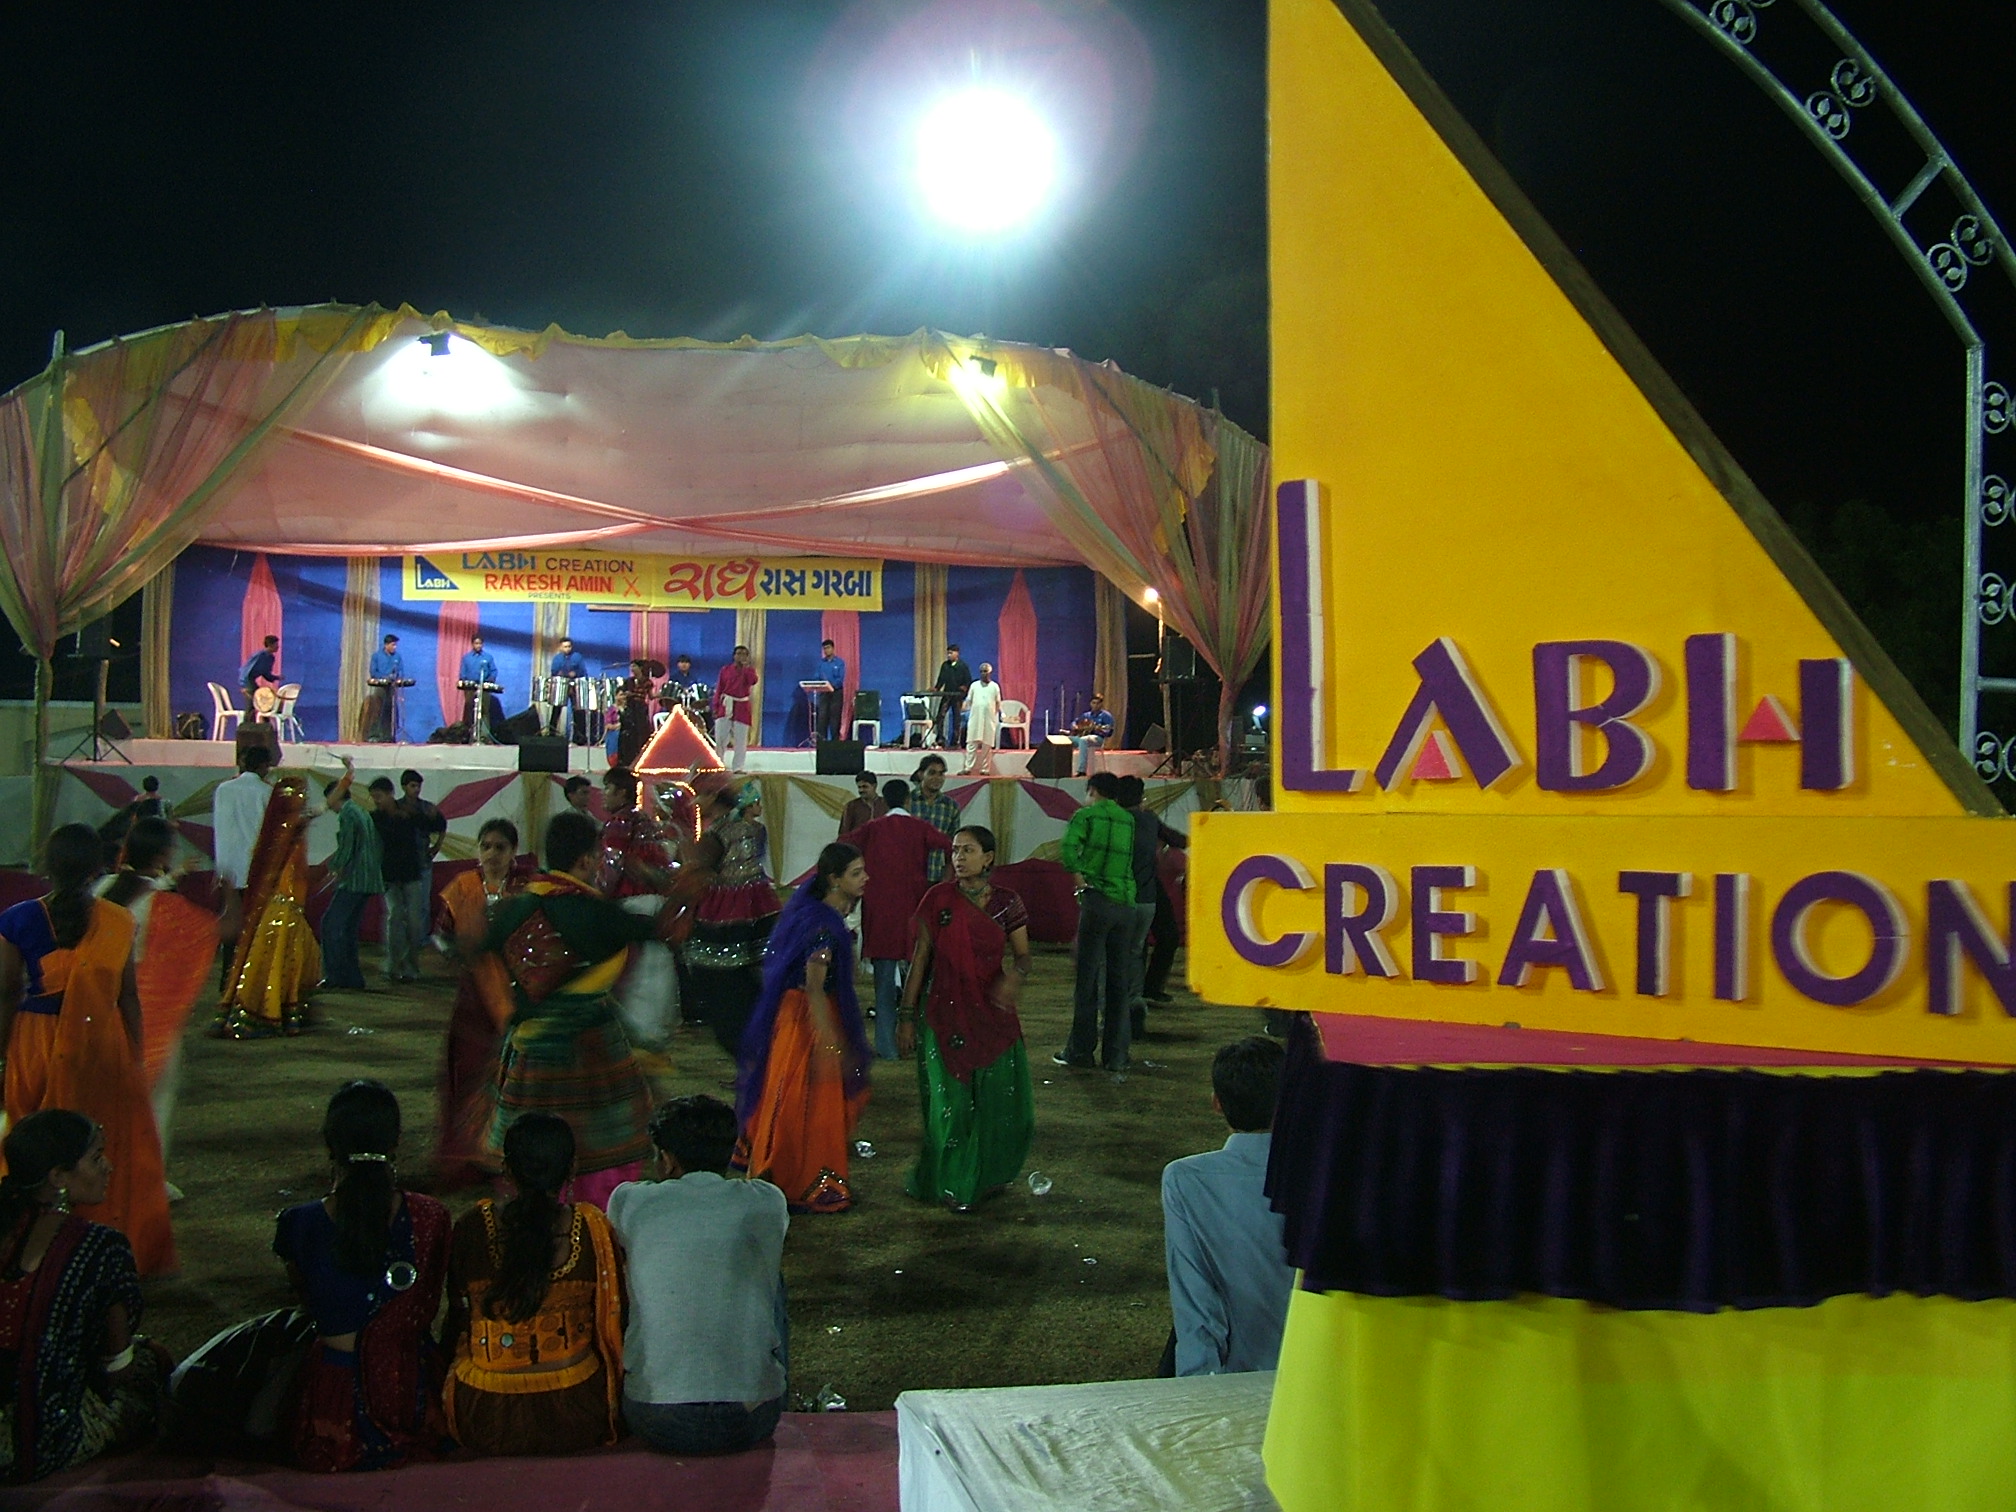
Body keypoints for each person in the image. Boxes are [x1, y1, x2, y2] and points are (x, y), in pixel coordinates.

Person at [483, 810, 687, 1209]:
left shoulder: (513, 909)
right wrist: (686, 888)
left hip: (529, 1048)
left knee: (528, 1144)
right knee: (601, 1147)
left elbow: (479, 952)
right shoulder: (597, 913)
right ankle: (590, 1217)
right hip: (592, 1047)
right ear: (586, 860)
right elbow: (663, 930)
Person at [0, 824, 176, 1278]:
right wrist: (133, 1058)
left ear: (48, 867)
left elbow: (6, 993)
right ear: (98, 868)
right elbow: (128, 998)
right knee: (98, 1144)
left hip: (36, 1042)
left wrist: (3, 1054)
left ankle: (27, 1246)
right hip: (102, 1045)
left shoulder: (18, 919)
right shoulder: (119, 920)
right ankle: (100, 1243)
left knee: (33, 1140)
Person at [274, 1080, 451, 1472]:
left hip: (332, 1410)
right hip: (409, 1397)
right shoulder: (431, 1217)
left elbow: (310, 1303)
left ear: (329, 1144)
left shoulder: (297, 1224)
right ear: (396, 1142)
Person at [611, 1095, 788, 1455]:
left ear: (667, 1159)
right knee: (763, 1273)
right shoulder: (767, 1201)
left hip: (655, 1416)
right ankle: (756, 1376)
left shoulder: (629, 1202)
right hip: (752, 1415)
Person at [0, 1111, 170, 1483]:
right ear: (58, 1177)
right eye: (95, 1158)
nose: (108, 1166)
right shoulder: (100, 1247)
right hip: (38, 1442)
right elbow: (117, 1367)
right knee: (153, 1365)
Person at [444, 1113, 624, 1455]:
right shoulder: (592, 1227)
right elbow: (615, 1320)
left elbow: (458, 1318)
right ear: (572, 1169)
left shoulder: (472, 1226)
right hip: (577, 1414)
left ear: (507, 1170)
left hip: (485, 1417)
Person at [897, 825, 1034, 1211]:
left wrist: (1015, 978)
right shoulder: (937, 898)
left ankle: (985, 1174)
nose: (958, 858)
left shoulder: (1007, 903)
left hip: (991, 1013)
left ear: (988, 858)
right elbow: (920, 959)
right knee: (951, 1106)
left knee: (999, 1102)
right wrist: (906, 1015)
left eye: (968, 850)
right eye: (955, 850)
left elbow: (1024, 956)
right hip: (943, 1014)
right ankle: (956, 1183)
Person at [736, 843, 872, 1213]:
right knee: (807, 1099)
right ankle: (801, 1178)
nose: (865, 878)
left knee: (794, 1095)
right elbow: (814, 986)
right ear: (834, 879)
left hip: (800, 1014)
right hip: (807, 1018)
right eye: (856, 873)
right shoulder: (822, 926)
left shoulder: (816, 914)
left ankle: (789, 1171)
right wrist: (827, 1037)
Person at [1161, 1037, 1293, 1376]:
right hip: (1320, 1376)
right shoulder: (1332, 1173)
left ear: (1217, 1104)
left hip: (1239, 1375)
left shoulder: (1185, 1180)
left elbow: (1196, 1303)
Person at [98, 818, 217, 1188]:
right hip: (147, 1009)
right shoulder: (161, 905)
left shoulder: (102, 889)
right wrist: (232, 893)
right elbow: (218, 930)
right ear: (164, 854)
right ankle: (147, 1180)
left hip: (96, 1009)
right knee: (156, 1100)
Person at [434, 818, 525, 1190]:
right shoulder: (463, 887)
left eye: (500, 847)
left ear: (514, 851)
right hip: (473, 999)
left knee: (508, 1074)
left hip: (515, 996)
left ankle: (504, 1153)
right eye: (485, 846)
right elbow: (441, 935)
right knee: (469, 1072)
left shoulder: (526, 889)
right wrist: (457, 951)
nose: (492, 854)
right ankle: (469, 1154)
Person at [842, 781, 951, 1060]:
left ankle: (887, 1048)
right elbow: (950, 847)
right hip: (915, 910)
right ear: (908, 800)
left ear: (885, 801)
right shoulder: (920, 827)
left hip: (879, 913)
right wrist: (945, 883)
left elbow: (841, 846)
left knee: (884, 985)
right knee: (920, 976)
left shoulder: (873, 828)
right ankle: (921, 1044)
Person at [218, 768, 322, 1036]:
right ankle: (270, 1014)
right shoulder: (285, 831)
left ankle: (289, 1013)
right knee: (279, 960)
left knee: (299, 957)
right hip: (281, 907)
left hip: (289, 906)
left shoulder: (288, 828)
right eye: (298, 798)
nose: (303, 802)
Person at [686, 784, 781, 1056]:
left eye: (700, 795)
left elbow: (697, 868)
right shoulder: (751, 829)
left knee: (723, 981)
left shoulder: (716, 833)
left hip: (725, 914)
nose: (695, 802)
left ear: (713, 796)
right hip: (759, 907)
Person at [1054, 771, 1138, 1072]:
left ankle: (1080, 1051)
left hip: (1098, 901)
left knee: (1087, 980)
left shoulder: (1086, 815)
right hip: (1125, 904)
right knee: (1118, 981)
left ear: (1092, 790)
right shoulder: (1128, 819)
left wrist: (1080, 881)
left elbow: (1067, 849)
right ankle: (1116, 1055)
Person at [597, 766, 683, 1051]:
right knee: (655, 964)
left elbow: (612, 866)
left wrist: (598, 895)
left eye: (607, 789)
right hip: (656, 904)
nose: (603, 795)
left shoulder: (618, 823)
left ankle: (637, 1034)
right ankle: (655, 1030)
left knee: (631, 971)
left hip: (631, 907)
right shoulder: (646, 822)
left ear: (622, 792)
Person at [1117, 775, 1187, 1037]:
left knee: (1133, 948)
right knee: (1159, 939)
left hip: (1123, 888)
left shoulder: (1116, 820)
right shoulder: (1147, 819)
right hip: (1145, 887)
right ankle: (1144, 992)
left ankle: (1136, 995)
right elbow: (1179, 840)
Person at [320, 773, 383, 992]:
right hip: (368, 878)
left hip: (354, 879)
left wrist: (334, 869)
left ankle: (336, 976)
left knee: (331, 925)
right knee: (348, 929)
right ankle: (352, 978)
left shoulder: (347, 814)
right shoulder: (360, 811)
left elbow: (347, 847)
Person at [371, 777, 425, 986]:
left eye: (379, 796)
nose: (376, 801)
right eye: (374, 797)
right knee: (395, 917)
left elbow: (435, 823)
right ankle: (394, 964)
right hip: (391, 876)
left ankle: (409, 966)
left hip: (410, 874)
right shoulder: (377, 818)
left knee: (412, 922)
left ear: (390, 794)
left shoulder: (408, 812)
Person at [212, 743, 275, 903]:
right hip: (254, 866)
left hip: (226, 867)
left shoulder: (223, 789)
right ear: (264, 766)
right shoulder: (266, 791)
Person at [910, 755, 960, 884]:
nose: (937, 778)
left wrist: (946, 878)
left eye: (941, 773)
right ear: (921, 774)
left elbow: (953, 845)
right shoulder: (908, 802)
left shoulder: (950, 806)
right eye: (932, 773)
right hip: (908, 876)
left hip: (937, 876)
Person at [714, 644, 759, 773]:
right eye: (739, 654)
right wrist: (716, 706)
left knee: (741, 740)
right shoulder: (725, 670)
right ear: (734, 656)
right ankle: (717, 765)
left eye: (744, 654)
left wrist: (745, 668)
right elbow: (719, 688)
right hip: (726, 705)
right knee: (721, 738)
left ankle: (738, 767)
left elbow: (753, 681)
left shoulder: (750, 671)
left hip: (742, 707)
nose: (741, 656)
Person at [456, 635, 502, 738]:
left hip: (484, 687)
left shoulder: (488, 657)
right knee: (469, 709)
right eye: (476, 643)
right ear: (472, 644)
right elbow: (463, 673)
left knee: (484, 710)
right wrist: (464, 681)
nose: (478, 646)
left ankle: (484, 736)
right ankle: (468, 734)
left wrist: (490, 679)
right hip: (470, 688)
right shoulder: (466, 658)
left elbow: (493, 671)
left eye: (480, 643)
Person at [962, 662, 1003, 776]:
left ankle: (985, 769)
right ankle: (968, 768)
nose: (983, 674)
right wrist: (964, 709)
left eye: (985, 671)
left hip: (989, 719)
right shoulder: (974, 685)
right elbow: (968, 700)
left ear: (990, 672)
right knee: (971, 743)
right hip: (975, 718)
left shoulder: (995, 686)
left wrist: (997, 715)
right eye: (981, 671)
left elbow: (998, 703)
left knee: (987, 745)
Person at [547, 637, 589, 744]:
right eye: (565, 647)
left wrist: (576, 673)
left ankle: (579, 736)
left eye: (569, 646)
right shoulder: (557, 658)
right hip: (562, 685)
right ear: (561, 647)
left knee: (578, 711)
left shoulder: (577, 657)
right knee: (556, 709)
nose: (567, 649)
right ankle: (552, 733)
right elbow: (554, 671)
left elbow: (583, 671)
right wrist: (561, 673)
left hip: (574, 686)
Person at [364, 634, 405, 743]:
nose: (395, 647)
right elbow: (373, 672)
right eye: (393, 645)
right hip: (380, 687)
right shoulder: (376, 656)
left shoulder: (397, 657)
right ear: (386, 645)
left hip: (392, 687)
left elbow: (400, 671)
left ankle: (389, 736)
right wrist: (383, 677)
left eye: (395, 645)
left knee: (391, 712)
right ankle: (374, 735)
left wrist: (396, 677)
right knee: (378, 710)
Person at [933, 643, 972, 750]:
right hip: (947, 694)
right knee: (940, 716)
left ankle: (955, 741)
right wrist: (937, 688)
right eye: (948, 653)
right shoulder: (945, 665)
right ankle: (940, 738)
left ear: (957, 653)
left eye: (951, 653)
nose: (949, 655)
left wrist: (964, 688)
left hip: (957, 696)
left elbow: (968, 680)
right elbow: (941, 679)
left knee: (957, 718)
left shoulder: (963, 666)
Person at [1070, 693, 1115, 776]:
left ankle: (1082, 771)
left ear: (1101, 704)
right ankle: (1063, 768)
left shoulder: (1106, 716)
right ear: (1090, 704)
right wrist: (1075, 726)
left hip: (1097, 738)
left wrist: (1099, 730)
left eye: (1098, 703)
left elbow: (1109, 732)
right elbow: (1075, 722)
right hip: (1083, 736)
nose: (1095, 705)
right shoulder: (1086, 715)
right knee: (1066, 740)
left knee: (1083, 740)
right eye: (1093, 703)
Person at [815, 638, 845, 743]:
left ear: (833, 648)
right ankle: (821, 742)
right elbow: (817, 677)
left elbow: (840, 679)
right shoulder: (821, 663)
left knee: (835, 719)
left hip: (836, 693)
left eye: (828, 648)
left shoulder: (840, 663)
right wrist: (822, 685)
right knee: (822, 718)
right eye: (824, 649)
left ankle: (835, 743)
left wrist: (830, 685)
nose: (826, 650)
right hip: (824, 693)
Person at [240, 634, 282, 711]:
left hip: (252, 682)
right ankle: (248, 718)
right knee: (251, 705)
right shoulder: (259, 656)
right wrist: (244, 686)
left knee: (264, 703)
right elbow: (245, 671)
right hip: (248, 681)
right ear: (270, 645)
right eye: (276, 644)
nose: (278, 646)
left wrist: (276, 677)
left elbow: (266, 674)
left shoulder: (270, 658)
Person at [838, 770, 884, 837]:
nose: (861, 790)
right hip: (857, 842)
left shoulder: (885, 804)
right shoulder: (851, 806)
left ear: (874, 786)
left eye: (865, 787)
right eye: (859, 787)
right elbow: (844, 832)